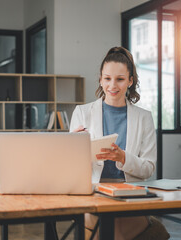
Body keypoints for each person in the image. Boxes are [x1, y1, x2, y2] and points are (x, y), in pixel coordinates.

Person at [70, 46, 169, 240]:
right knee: (108, 228)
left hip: (129, 196)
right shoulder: (82, 113)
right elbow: (71, 168)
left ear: (130, 81)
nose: (112, 85)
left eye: (120, 79)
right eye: (107, 78)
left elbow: (148, 168)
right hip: (93, 194)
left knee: (109, 231)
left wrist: (123, 157)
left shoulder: (144, 118)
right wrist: (72, 147)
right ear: (100, 79)